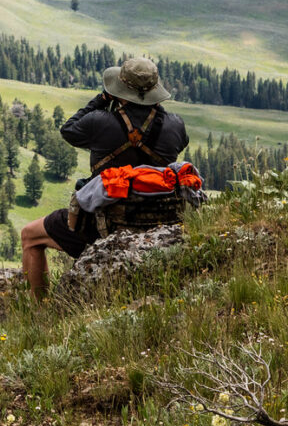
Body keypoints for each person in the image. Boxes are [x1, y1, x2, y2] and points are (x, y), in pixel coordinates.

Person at [20, 56, 187, 299]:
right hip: (158, 224)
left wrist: (101, 99)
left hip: (102, 225)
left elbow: (69, 130)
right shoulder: (176, 125)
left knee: (30, 236)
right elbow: (178, 145)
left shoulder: (100, 121)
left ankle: (38, 310)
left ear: (119, 91)